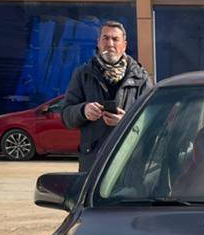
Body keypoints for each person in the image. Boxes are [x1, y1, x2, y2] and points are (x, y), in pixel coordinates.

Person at [60, 21, 152, 171]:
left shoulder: (141, 78)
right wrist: (83, 111)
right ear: (98, 42)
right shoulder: (83, 74)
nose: (110, 44)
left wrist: (127, 122)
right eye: (105, 38)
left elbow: (153, 122)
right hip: (93, 163)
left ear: (124, 45)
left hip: (129, 163)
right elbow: (65, 116)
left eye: (115, 39)